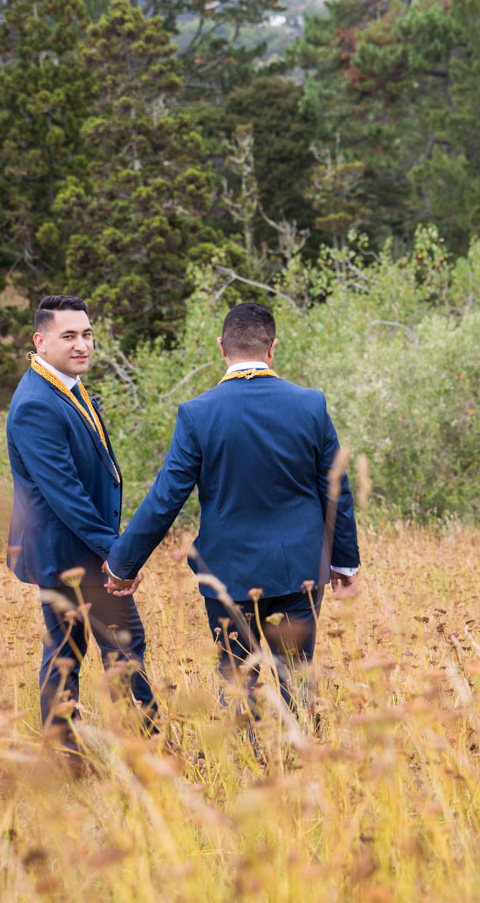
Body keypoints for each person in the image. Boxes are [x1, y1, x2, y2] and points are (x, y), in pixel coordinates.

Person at [103, 301, 360, 719]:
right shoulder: (310, 405)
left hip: (229, 576)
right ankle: (301, 767)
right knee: (296, 678)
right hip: (300, 571)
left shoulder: (197, 413)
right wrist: (345, 564)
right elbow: (337, 490)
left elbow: (166, 498)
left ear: (221, 347)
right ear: (273, 348)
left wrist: (122, 564)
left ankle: (246, 767)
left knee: (237, 680)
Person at [5, 295, 156, 761]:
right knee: (123, 647)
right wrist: (117, 554)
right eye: (69, 336)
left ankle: (65, 755)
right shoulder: (36, 403)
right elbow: (65, 493)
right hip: (72, 554)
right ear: (40, 340)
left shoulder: (62, 386)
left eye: (87, 334)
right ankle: (144, 753)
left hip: (73, 550)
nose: (82, 345)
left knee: (65, 654)